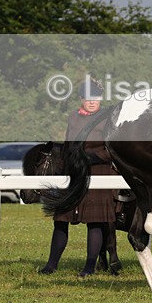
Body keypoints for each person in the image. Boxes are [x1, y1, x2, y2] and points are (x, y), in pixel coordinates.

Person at [39, 78, 121, 278]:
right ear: (81, 99)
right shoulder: (73, 117)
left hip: (98, 171)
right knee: (61, 218)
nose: (92, 102)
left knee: (95, 221)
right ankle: (51, 264)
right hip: (74, 172)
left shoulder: (108, 118)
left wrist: (93, 156)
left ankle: (89, 266)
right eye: (88, 98)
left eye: (96, 98)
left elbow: (113, 148)